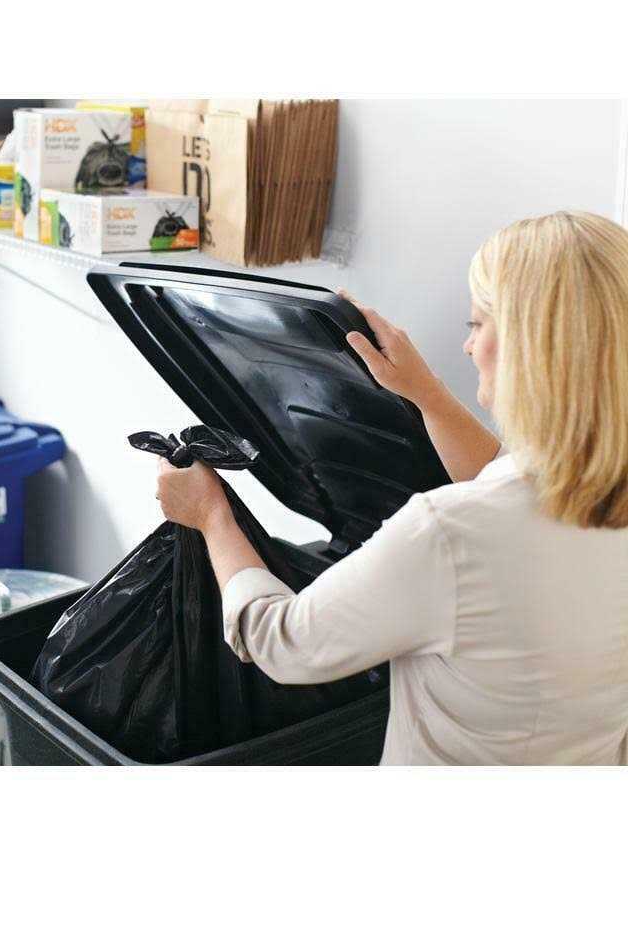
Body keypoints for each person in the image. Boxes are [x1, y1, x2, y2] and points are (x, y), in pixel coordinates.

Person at [155, 211, 628, 765]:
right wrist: (425, 393)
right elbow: (509, 485)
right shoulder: (591, 494)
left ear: (528, 347)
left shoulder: (449, 533)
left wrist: (211, 516)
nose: (468, 346)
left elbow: (282, 643)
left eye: (477, 324)